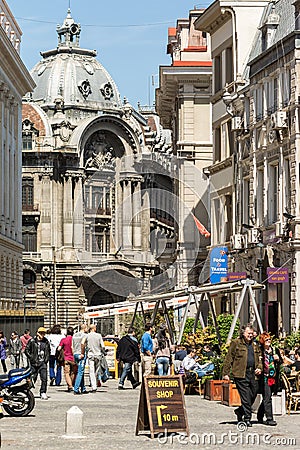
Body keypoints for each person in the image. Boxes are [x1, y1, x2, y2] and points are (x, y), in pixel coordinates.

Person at [222, 323, 262, 427]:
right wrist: (225, 373)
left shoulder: (255, 344)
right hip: (240, 374)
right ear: (243, 333)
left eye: (252, 333)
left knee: (253, 394)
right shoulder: (236, 343)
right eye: (248, 333)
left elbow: (260, 359)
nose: (250, 335)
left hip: (253, 373)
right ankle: (247, 418)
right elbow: (229, 358)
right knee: (246, 397)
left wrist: (259, 368)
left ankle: (240, 411)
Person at [257, 332, 281, 426]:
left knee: (267, 397)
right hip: (264, 377)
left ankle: (259, 415)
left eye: (269, 339)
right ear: (262, 341)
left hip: (273, 377)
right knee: (267, 397)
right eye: (266, 340)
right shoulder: (260, 351)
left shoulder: (275, 350)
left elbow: (281, 362)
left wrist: (278, 359)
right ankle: (269, 418)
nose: (268, 341)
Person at [25, 326, 51, 400]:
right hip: (34, 363)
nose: (42, 335)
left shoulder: (46, 341)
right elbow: (27, 350)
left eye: (43, 333)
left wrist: (46, 359)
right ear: (37, 333)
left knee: (44, 379)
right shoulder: (32, 341)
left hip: (43, 363)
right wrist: (31, 358)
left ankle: (43, 392)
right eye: (41, 333)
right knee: (32, 378)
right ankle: (27, 392)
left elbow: (48, 350)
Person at [81, 324, 105, 392]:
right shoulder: (99, 335)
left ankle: (93, 386)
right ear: (94, 328)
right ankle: (97, 381)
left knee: (91, 371)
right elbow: (102, 346)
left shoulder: (87, 336)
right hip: (98, 355)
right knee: (97, 371)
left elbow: (82, 343)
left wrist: (84, 349)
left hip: (90, 355)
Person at [57, 326, 76, 392]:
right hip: (73, 358)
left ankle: (70, 386)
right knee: (73, 372)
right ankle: (72, 384)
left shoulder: (63, 340)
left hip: (66, 358)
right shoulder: (74, 339)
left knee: (66, 373)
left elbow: (59, 348)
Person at [73, 324, 89, 395]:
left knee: (80, 371)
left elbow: (72, 345)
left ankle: (83, 388)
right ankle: (76, 389)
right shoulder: (85, 335)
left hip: (75, 353)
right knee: (80, 371)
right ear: (84, 328)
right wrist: (82, 353)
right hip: (81, 354)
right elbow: (82, 344)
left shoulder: (75, 335)